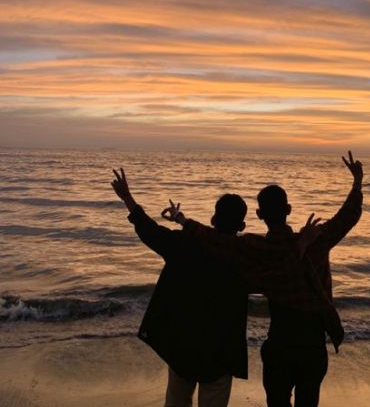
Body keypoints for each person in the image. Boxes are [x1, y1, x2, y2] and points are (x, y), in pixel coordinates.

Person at [165, 151, 363, 407]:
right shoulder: (317, 239)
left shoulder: (255, 247)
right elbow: (348, 216)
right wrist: (357, 183)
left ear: (259, 215)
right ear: (289, 210)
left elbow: (218, 240)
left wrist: (183, 221)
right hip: (313, 344)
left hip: (280, 343)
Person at [111, 169, 320, 407]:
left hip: (182, 343)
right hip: (222, 350)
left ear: (212, 220)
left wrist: (127, 197)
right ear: (242, 226)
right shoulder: (244, 261)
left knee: (176, 401)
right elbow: (277, 274)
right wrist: (300, 244)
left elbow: (149, 230)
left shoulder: (183, 245)